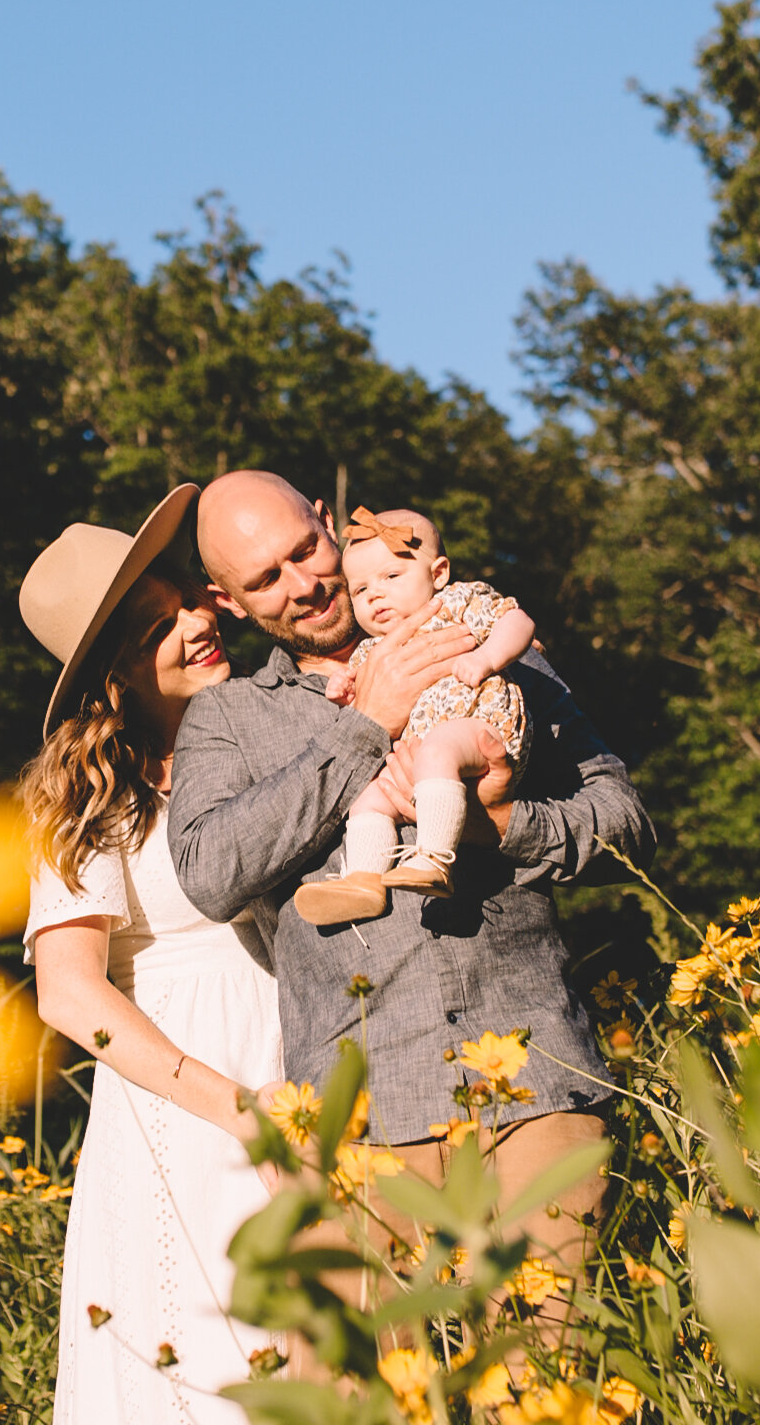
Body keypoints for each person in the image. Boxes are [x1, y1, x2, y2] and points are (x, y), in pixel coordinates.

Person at [169, 470, 655, 1291]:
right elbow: (211, 873)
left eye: (305, 550)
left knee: (546, 1393)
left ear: (330, 522)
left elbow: (626, 824)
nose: (305, 585)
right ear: (228, 598)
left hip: (533, 1080)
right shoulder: (226, 719)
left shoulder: (492, 650)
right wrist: (367, 726)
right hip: (359, 1120)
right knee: (370, 1412)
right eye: (265, 579)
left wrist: (502, 821)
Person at [17, 485, 281, 1425]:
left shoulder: (266, 738)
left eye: (195, 600)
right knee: (211, 1392)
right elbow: (71, 995)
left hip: (305, 1079)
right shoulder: (91, 804)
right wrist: (235, 1108)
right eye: (163, 618)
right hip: (191, 1121)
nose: (200, 624)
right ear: (114, 669)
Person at [296, 504, 537, 920]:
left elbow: (517, 621)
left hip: (482, 727)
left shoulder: (458, 602)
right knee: (370, 795)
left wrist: (488, 659)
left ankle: (434, 858)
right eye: (360, 589)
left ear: (438, 573)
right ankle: (362, 881)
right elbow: (366, 696)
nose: (375, 594)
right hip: (421, 754)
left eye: (391, 576)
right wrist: (344, 690)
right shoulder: (371, 648)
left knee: (437, 749)